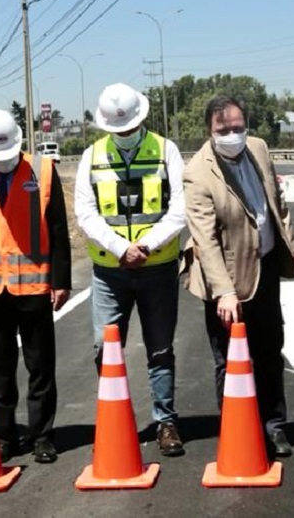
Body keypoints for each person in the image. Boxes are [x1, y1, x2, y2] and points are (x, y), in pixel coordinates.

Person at [182, 95, 294, 458]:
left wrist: (289, 243)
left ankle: (273, 426)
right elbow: (205, 239)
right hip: (227, 282)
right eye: (223, 129)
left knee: (269, 353)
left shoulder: (258, 149)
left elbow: (276, 202)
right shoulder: (198, 173)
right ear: (210, 131)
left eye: (237, 128)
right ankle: (238, 431)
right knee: (230, 362)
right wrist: (225, 293)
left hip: (263, 269)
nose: (232, 134)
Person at [75, 83, 187, 457]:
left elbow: (179, 209)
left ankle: (165, 421)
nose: (124, 135)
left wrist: (146, 246)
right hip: (110, 271)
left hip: (158, 267)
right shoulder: (91, 157)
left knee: (160, 348)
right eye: (117, 130)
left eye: (129, 127)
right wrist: (122, 248)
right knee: (104, 348)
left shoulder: (165, 150)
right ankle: (115, 419)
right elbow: (86, 213)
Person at [0, 108, 71, 464]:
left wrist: (60, 281)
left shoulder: (42, 170)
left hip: (35, 287)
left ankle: (42, 436)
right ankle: (5, 435)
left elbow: (57, 231)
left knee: (40, 367)